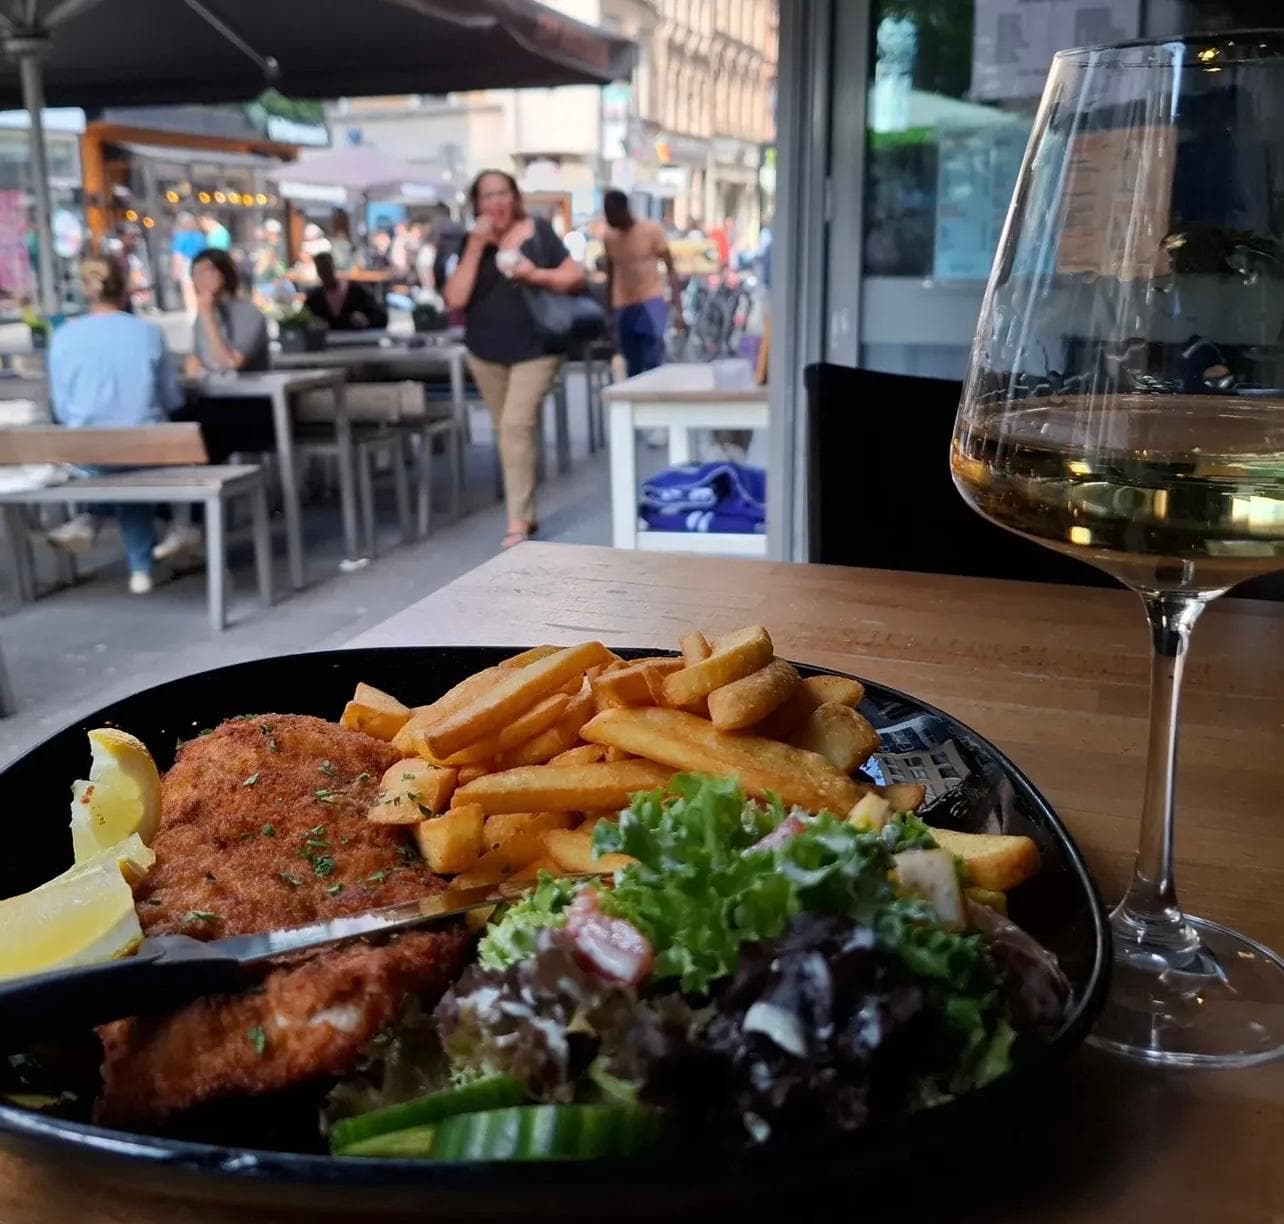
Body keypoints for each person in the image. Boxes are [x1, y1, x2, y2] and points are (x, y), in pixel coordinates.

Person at [444, 169, 585, 550]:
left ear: (514, 196)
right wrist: (476, 246)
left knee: (515, 426)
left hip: (536, 347)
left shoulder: (538, 231)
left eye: (502, 193)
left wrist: (534, 274)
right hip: (485, 352)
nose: (496, 202)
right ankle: (527, 510)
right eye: (487, 195)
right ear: (477, 203)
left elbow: (574, 276)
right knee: (508, 430)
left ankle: (517, 523)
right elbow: (455, 298)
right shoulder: (470, 242)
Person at [46, 257, 183, 593]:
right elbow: (171, 399)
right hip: (146, 448)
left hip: (86, 452)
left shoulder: (63, 336)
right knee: (131, 457)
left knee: (111, 457)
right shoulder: (148, 333)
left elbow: (62, 408)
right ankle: (141, 568)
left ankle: (92, 516)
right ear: (124, 291)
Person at [602, 189, 683, 377]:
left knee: (653, 359)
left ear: (623, 209)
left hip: (650, 299)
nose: (609, 219)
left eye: (611, 213)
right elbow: (610, 273)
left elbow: (670, 268)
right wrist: (608, 312)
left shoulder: (651, 230)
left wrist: (678, 306)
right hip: (623, 305)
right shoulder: (610, 237)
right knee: (632, 364)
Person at [304, 251, 388, 330]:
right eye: (322, 269)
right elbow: (303, 321)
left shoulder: (357, 291)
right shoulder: (315, 298)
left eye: (327, 268)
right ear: (318, 272)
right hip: (327, 340)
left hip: (356, 339)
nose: (325, 273)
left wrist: (367, 320)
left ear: (333, 267)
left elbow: (382, 316)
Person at [169, 212, 204, 314]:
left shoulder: (180, 237)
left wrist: (175, 270)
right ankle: (199, 310)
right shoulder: (200, 236)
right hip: (200, 263)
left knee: (188, 289)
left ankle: (192, 311)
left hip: (187, 263)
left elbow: (178, 255)